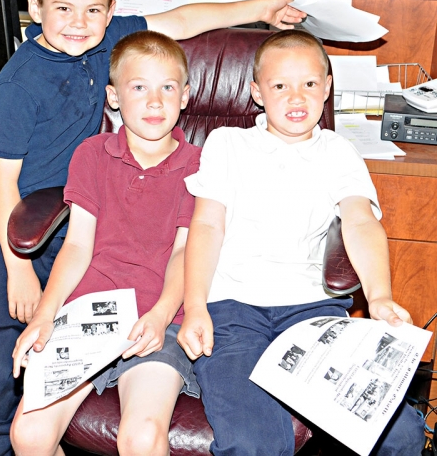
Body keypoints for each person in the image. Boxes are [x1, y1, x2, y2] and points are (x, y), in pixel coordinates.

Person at [0, 0, 306, 455]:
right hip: (13, 224)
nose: (79, 23)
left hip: (81, 224)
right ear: (35, 11)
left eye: (93, 10)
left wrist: (259, 8)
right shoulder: (18, 87)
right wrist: (19, 272)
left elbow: (184, 18)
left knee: (133, 427)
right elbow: (1, 186)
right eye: (63, 9)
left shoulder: (112, 43)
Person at [177, 29, 426, 456]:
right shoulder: (228, 144)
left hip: (313, 313)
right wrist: (196, 305)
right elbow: (206, 227)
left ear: (327, 87)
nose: (297, 98)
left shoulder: (337, 151)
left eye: (309, 84)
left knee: (400, 435)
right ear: (256, 92)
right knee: (256, 442)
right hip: (232, 311)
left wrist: (380, 296)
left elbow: (361, 222)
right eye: (280, 86)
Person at [10, 30, 201, 455]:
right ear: (113, 97)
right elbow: (76, 246)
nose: (155, 102)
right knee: (28, 434)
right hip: (88, 314)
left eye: (167, 88)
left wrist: (160, 314)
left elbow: (186, 252)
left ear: (185, 96)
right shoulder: (92, 154)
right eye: (139, 88)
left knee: (141, 438)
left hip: (159, 318)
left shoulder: (199, 166)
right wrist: (45, 314)